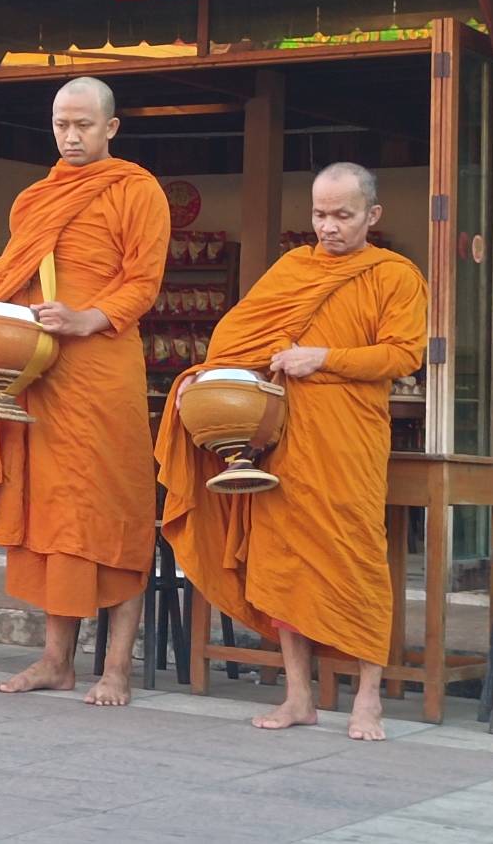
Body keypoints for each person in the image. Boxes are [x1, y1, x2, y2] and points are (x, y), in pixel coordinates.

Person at [157, 163, 427, 741]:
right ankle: (298, 696)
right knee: (280, 563)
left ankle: (368, 700)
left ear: (372, 216)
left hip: (349, 438)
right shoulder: (293, 269)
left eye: (342, 215)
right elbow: (235, 342)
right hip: (280, 440)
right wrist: (203, 383)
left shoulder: (394, 275)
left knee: (356, 559)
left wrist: (323, 358)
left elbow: (403, 355)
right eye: (319, 215)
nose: (328, 227)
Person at [0, 76, 169, 705]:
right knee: (53, 516)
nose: (71, 137)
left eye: (84, 126)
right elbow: (11, 277)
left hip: (102, 368)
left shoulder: (137, 189)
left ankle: (118, 666)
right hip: (41, 374)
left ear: (111, 129)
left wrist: (85, 317)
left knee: (114, 513)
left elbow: (143, 281)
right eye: (61, 125)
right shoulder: (32, 200)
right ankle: (55, 659)